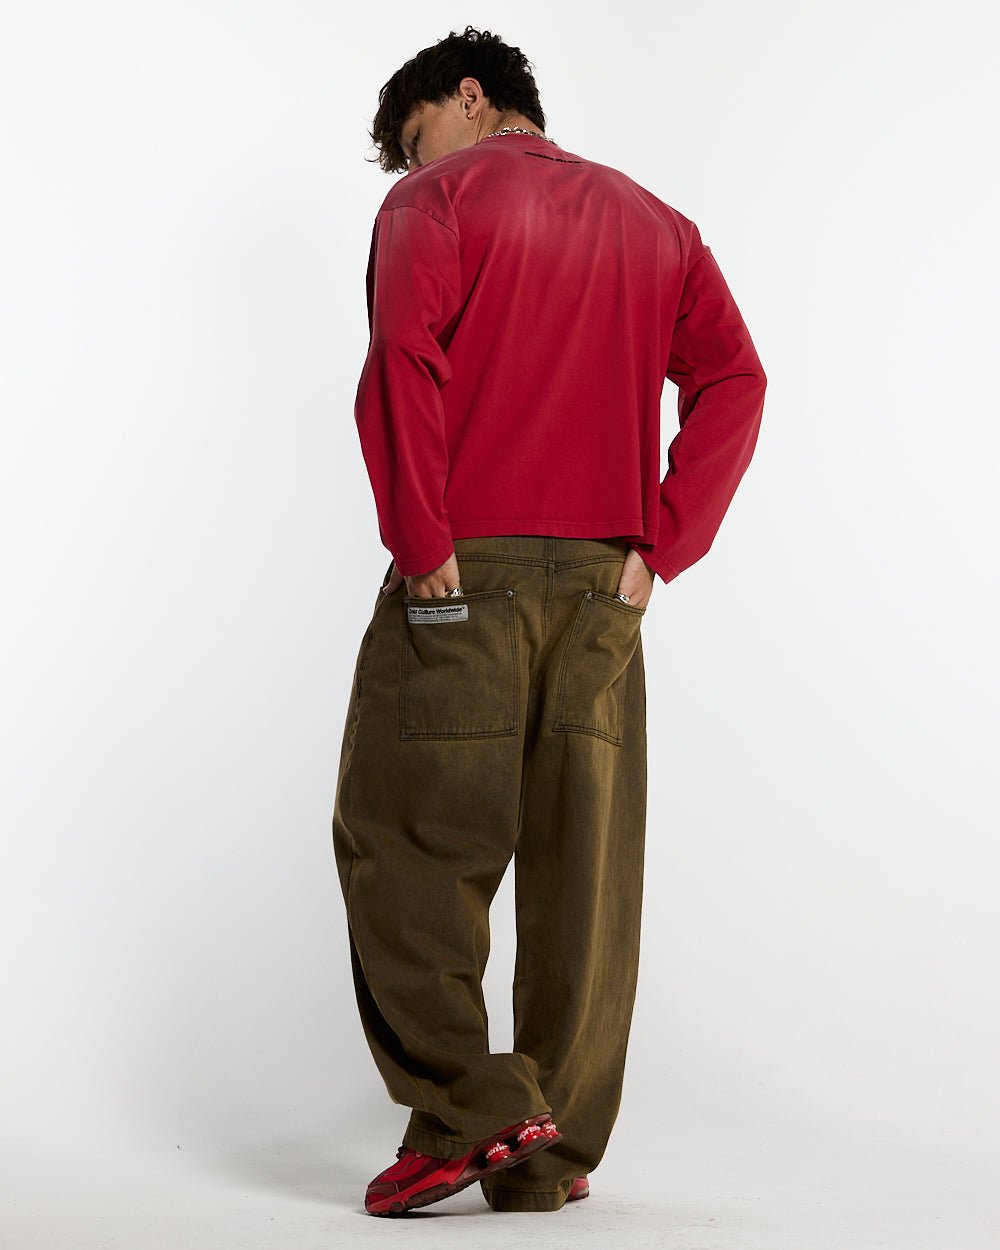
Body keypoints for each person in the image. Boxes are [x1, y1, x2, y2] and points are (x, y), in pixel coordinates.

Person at [331, 25, 767, 1217]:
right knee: (586, 867)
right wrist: (659, 548)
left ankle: (472, 1109)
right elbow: (736, 379)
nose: (415, 164)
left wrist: (422, 539)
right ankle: (544, 1153)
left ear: (470, 97)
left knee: (405, 841)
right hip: (600, 591)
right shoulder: (659, 225)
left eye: (416, 136)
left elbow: (401, 357)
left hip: (462, 571)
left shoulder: (437, 203)